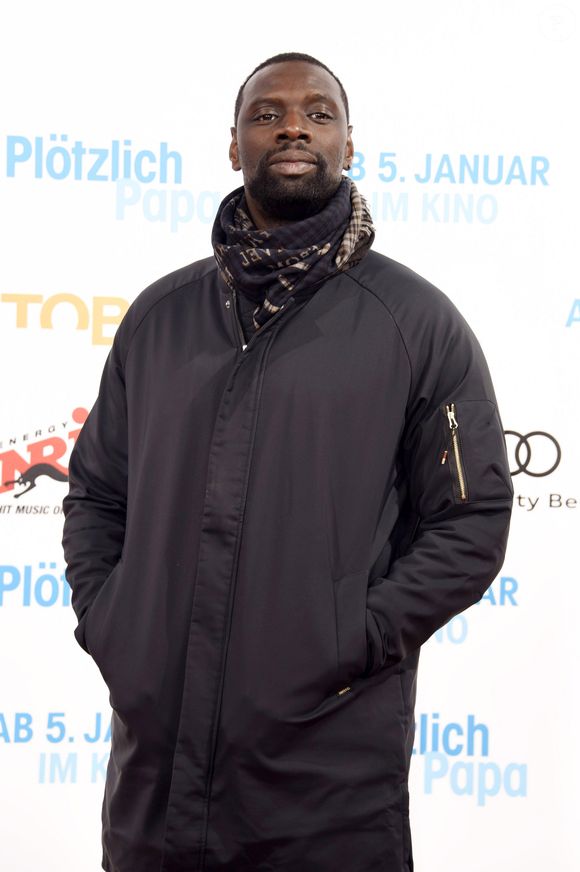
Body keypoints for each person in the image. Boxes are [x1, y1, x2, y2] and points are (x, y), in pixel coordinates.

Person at [62, 52, 513, 872]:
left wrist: (353, 637)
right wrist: (114, 623)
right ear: (234, 147)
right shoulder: (160, 317)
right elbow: (96, 494)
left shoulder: (415, 320)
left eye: (319, 112)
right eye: (267, 114)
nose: (294, 126)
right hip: (156, 779)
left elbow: (470, 519)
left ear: (348, 142)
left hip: (326, 775)